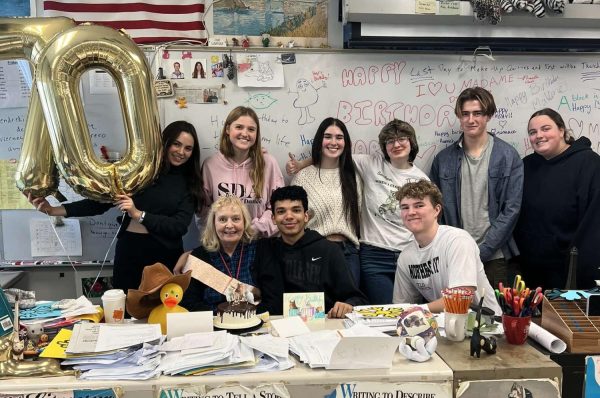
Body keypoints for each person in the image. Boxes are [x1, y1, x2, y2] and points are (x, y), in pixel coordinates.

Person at [28, 121, 205, 292]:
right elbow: (98, 203)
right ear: (165, 143)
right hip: (130, 250)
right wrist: (52, 210)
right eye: (176, 144)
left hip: (165, 255)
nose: (181, 152)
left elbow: (179, 226)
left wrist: (139, 215)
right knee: (126, 312)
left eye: (188, 148)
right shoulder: (140, 173)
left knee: (165, 313)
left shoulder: (190, 183)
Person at [287, 119, 428, 305]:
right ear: (384, 146)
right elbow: (331, 153)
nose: (397, 144)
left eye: (402, 139)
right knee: (317, 311)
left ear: (412, 142)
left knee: (365, 312)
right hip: (360, 253)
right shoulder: (370, 164)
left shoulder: (421, 180)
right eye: (390, 141)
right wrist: (301, 164)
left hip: (383, 252)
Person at [430, 87, 523, 288]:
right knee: (454, 314)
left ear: (488, 115)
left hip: (495, 256)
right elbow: (435, 210)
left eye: (477, 113)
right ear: (459, 116)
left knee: (493, 317)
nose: (471, 119)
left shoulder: (508, 156)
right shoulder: (443, 160)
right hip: (453, 254)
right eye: (465, 114)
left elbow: (511, 210)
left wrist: (484, 250)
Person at [515, 108, 600, 289]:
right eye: (533, 132)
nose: (539, 136)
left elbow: (592, 225)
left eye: (546, 129)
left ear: (561, 130)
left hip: (571, 273)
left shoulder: (590, 164)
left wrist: (578, 267)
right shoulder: (526, 166)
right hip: (531, 272)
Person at [254, 186, 368, 318]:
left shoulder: (329, 250)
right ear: (273, 218)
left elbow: (356, 298)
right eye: (281, 211)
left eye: (296, 210)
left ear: (306, 216)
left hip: (322, 327)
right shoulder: (264, 249)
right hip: (273, 328)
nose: (289, 216)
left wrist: (347, 305)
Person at [392, 180, 501, 315]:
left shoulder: (457, 241)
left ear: (436, 210)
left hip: (487, 327)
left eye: (419, 205)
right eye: (405, 207)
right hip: (446, 326)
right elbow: (402, 306)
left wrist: (420, 310)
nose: (411, 212)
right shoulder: (406, 257)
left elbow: (461, 299)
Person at [290, 118, 362, 285]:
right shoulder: (303, 177)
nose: (333, 142)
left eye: (339, 137)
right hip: (313, 251)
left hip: (348, 253)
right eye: (328, 136)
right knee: (316, 309)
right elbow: (294, 219)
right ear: (319, 140)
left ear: (346, 142)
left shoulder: (354, 176)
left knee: (347, 307)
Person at [202, 106, 284, 237]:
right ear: (228, 129)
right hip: (222, 243)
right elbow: (204, 210)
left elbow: (278, 207)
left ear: (256, 134)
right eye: (239, 127)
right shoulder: (210, 165)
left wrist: (255, 229)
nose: (245, 133)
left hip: (260, 243)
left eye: (251, 129)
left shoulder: (268, 163)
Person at [174, 196, 257, 312]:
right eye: (222, 219)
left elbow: (269, 298)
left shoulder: (258, 251)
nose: (229, 225)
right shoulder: (199, 257)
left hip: (253, 321)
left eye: (236, 219)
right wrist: (222, 316)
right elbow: (189, 304)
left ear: (245, 222)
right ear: (213, 223)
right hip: (214, 324)